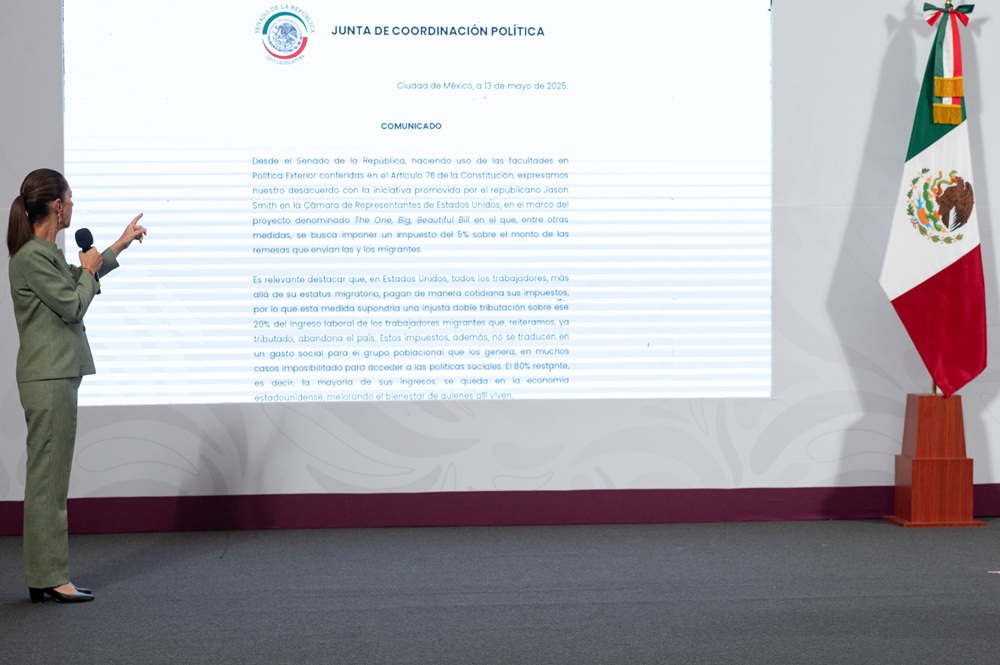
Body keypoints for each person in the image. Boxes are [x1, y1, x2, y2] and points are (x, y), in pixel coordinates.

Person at [6, 168, 147, 604]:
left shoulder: (45, 254)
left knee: (50, 480)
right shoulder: (31, 257)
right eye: (70, 199)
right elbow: (73, 304)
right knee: (48, 483)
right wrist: (88, 271)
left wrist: (118, 246)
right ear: (57, 206)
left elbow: (79, 278)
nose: (73, 206)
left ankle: (45, 575)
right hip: (48, 377)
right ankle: (50, 576)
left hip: (56, 375)